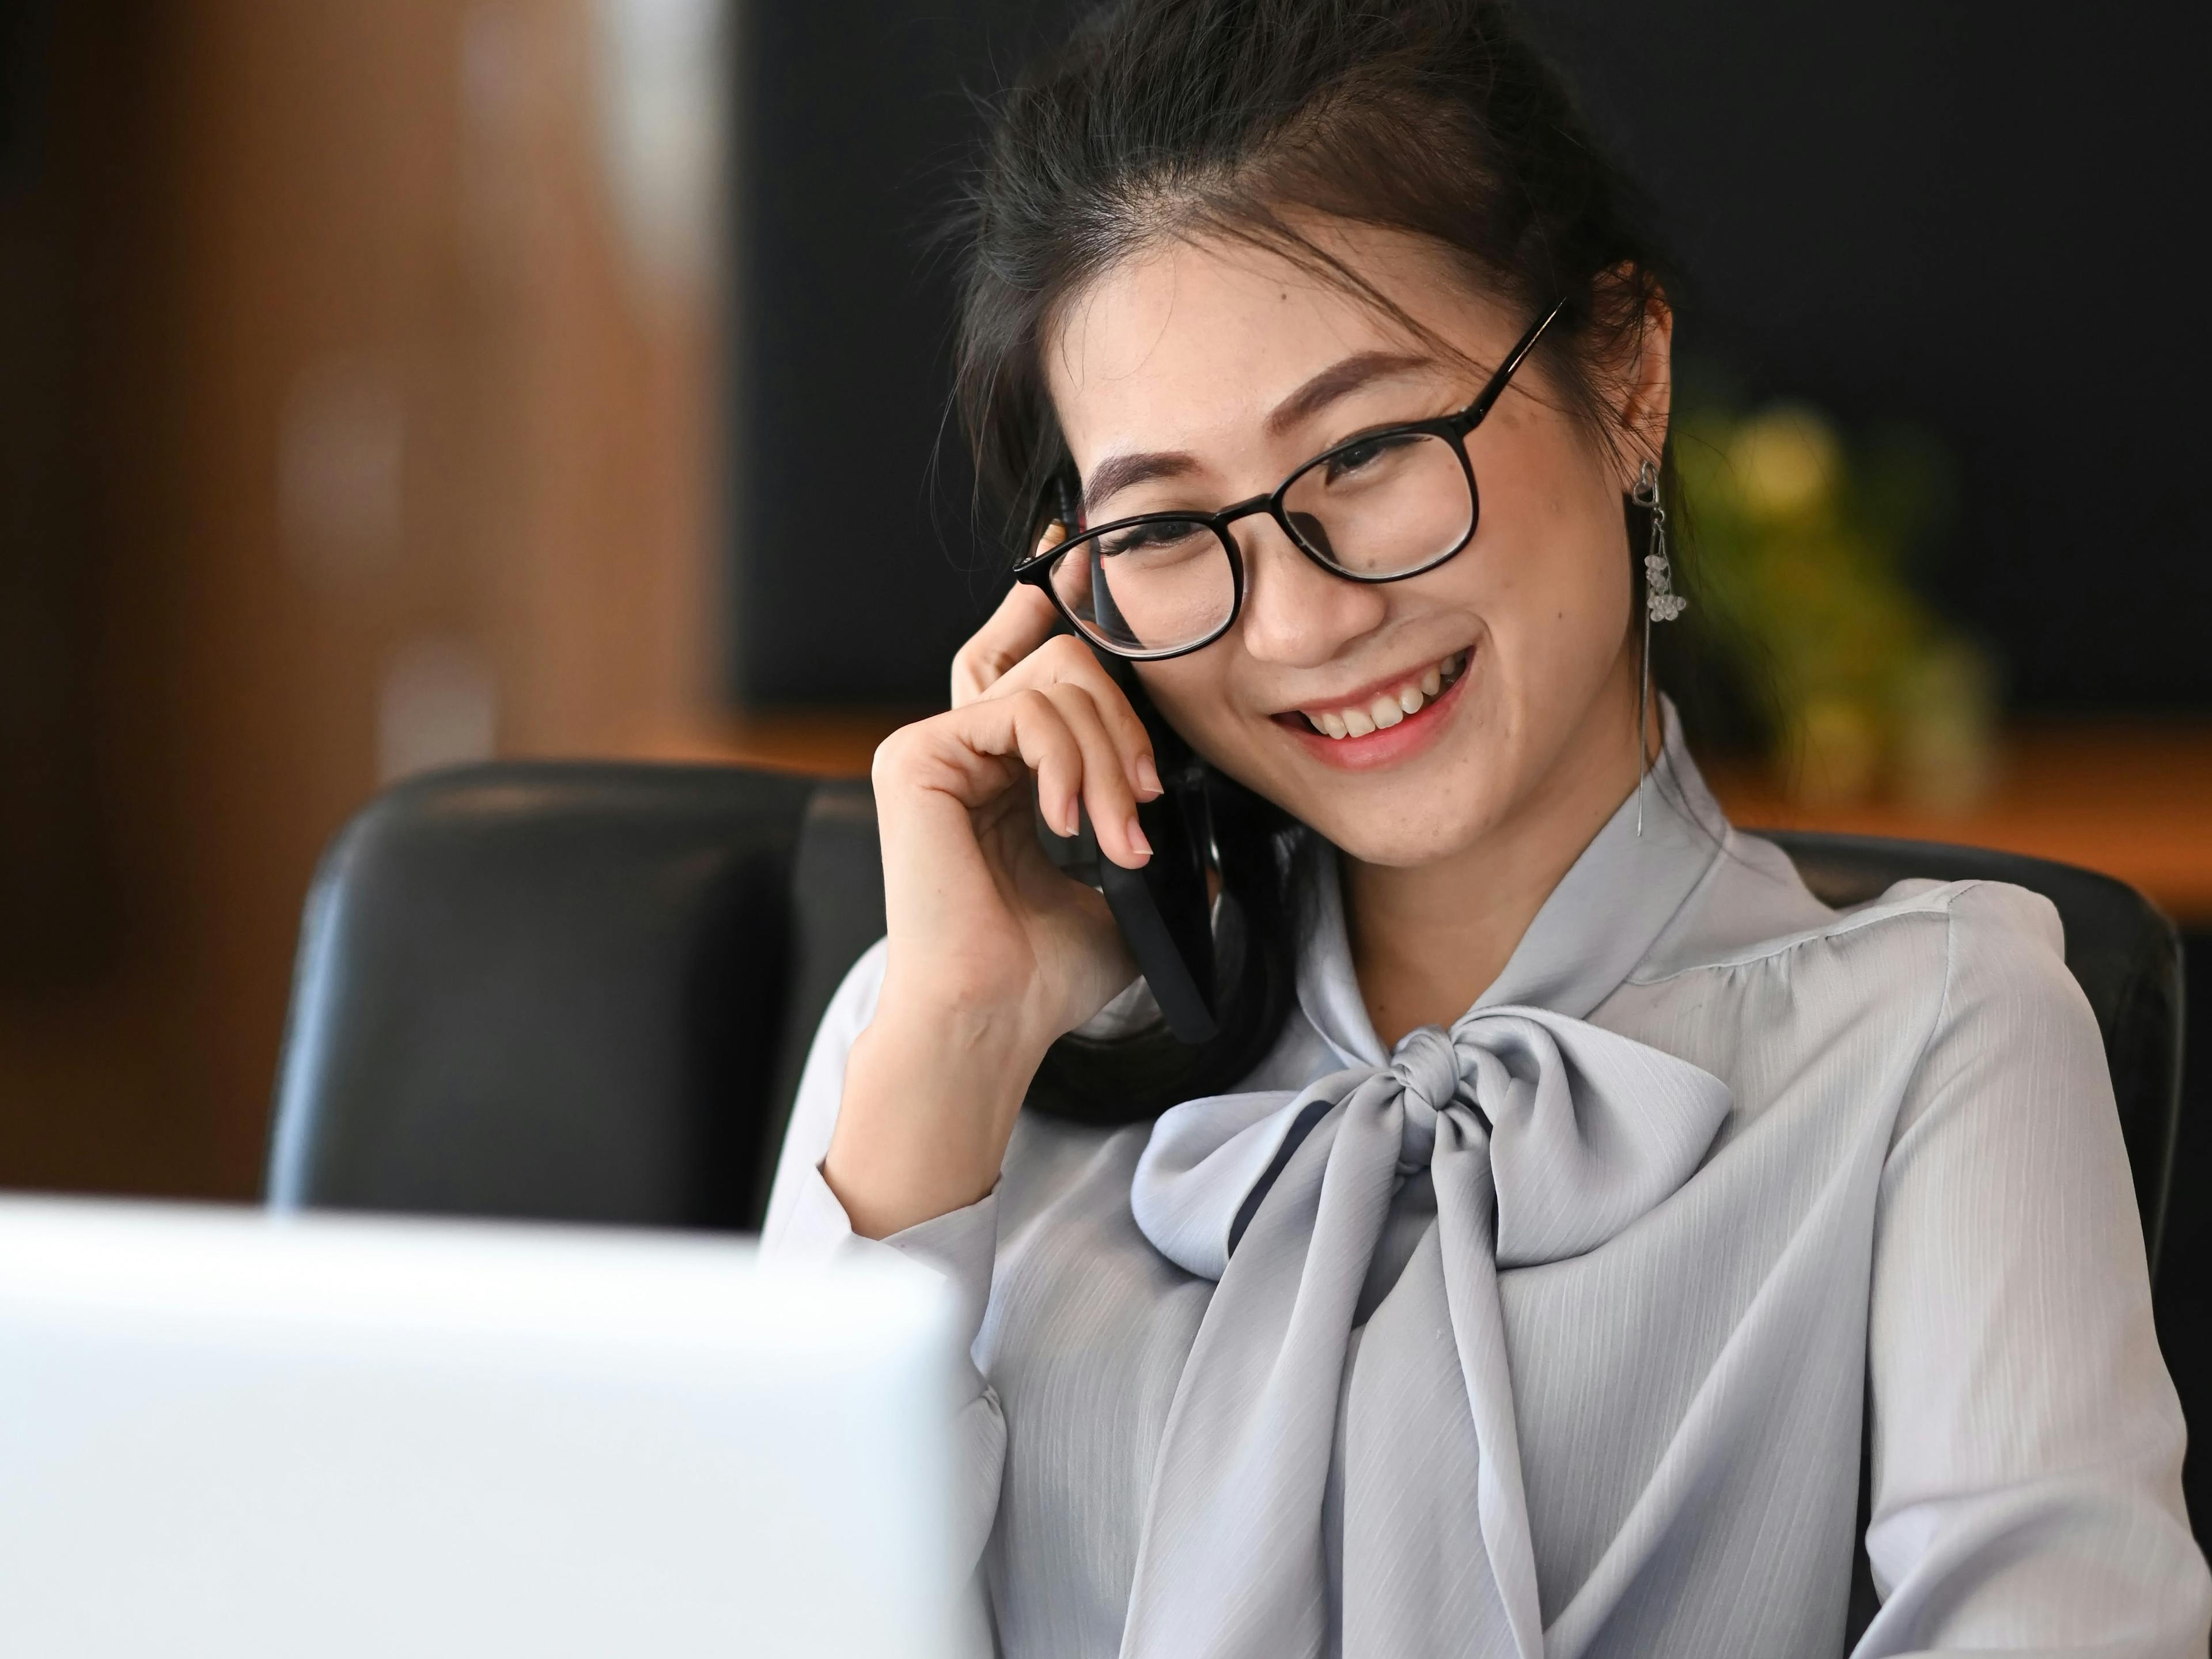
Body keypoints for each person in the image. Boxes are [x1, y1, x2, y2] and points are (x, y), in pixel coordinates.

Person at [762, 1, 2210, 1652]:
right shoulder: (936, 1039)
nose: (1301, 624)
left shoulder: (1941, 1036)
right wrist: (955, 1038)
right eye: (1166, 528)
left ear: (1628, 375)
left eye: (1372, 447)